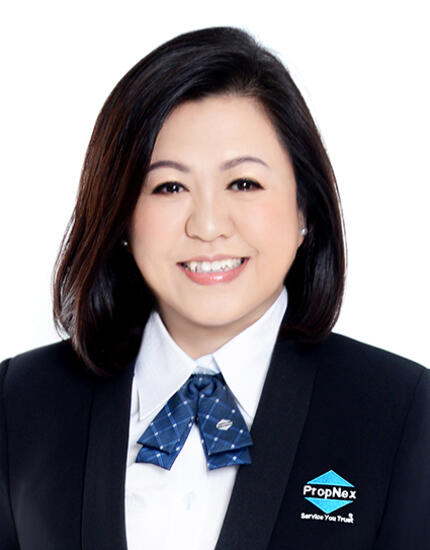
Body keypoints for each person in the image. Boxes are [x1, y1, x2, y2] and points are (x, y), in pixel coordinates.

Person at [0, 26, 428, 550]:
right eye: (169, 186)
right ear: (122, 218)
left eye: (244, 183)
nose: (207, 226)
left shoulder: (402, 412)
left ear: (304, 210)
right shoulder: (20, 402)